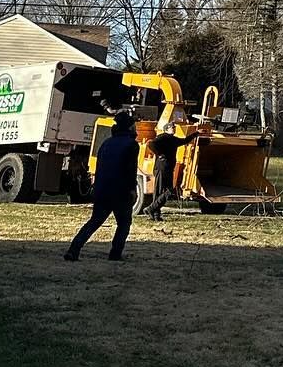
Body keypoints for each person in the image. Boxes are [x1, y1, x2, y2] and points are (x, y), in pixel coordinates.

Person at [65, 109, 139, 262]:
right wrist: (132, 189)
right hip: (120, 191)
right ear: (130, 127)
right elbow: (130, 169)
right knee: (124, 223)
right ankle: (115, 253)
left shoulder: (106, 143)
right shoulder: (132, 145)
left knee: (94, 221)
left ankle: (74, 249)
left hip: (102, 189)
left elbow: (100, 167)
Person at [146, 112, 191, 223]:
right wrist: (160, 154)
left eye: (174, 127)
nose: (174, 129)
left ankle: (153, 211)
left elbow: (184, 141)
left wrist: (195, 134)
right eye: (172, 127)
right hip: (161, 167)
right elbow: (150, 144)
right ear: (167, 129)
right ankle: (153, 212)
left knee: (167, 191)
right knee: (161, 191)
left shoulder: (173, 139)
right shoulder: (162, 137)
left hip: (168, 168)